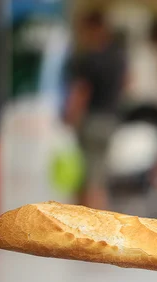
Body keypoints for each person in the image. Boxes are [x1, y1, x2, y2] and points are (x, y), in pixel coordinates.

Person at [64, 9, 128, 210]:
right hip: (111, 119)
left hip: (91, 120)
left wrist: (69, 116)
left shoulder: (88, 58)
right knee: (99, 176)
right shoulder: (118, 55)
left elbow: (81, 92)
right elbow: (127, 83)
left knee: (88, 180)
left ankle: (89, 226)